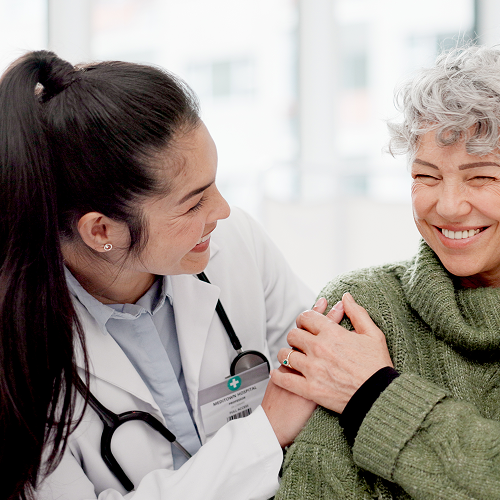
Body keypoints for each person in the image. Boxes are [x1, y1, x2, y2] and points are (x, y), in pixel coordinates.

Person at [0, 50, 318, 500]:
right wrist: (264, 434)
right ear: (101, 230)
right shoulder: (17, 350)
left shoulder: (235, 243)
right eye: (193, 203)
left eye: (215, 185)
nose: (222, 211)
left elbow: (317, 367)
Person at [271, 45, 500, 499]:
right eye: (427, 177)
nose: (449, 206)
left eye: (482, 178)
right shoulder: (365, 307)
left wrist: (374, 396)